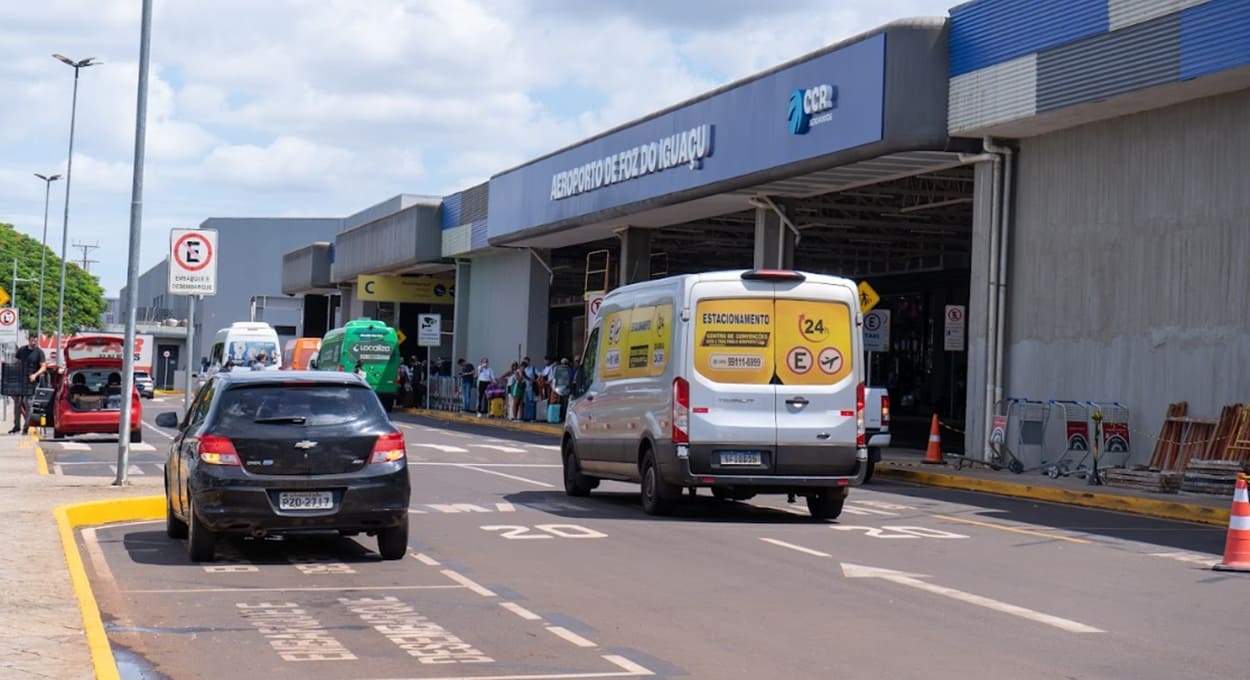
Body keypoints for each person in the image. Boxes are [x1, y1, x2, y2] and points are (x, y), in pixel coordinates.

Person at [11, 335, 48, 434]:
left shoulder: (39, 352)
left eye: (35, 341)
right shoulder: (22, 350)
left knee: (28, 403)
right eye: (32, 341)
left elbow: (43, 367)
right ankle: (16, 426)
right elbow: (16, 362)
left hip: (32, 381)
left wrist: (35, 375)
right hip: (20, 380)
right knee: (17, 403)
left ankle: (26, 426)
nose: (34, 343)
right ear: (29, 340)